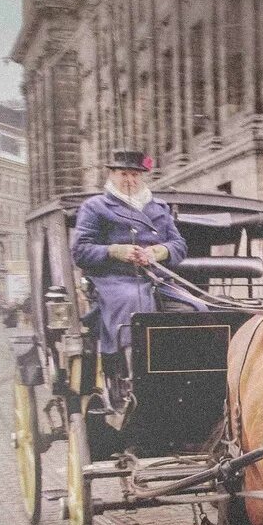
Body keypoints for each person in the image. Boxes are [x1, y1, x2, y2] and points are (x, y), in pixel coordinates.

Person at [71, 149, 197, 405]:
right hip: (114, 281)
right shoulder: (95, 208)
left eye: (135, 174)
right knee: (134, 304)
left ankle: (190, 377)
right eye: (123, 174)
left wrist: (158, 252)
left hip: (156, 280)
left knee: (197, 308)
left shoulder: (158, 207)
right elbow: (80, 250)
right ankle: (132, 381)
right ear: (112, 175)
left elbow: (179, 245)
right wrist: (116, 251)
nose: (129, 180)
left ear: (143, 176)